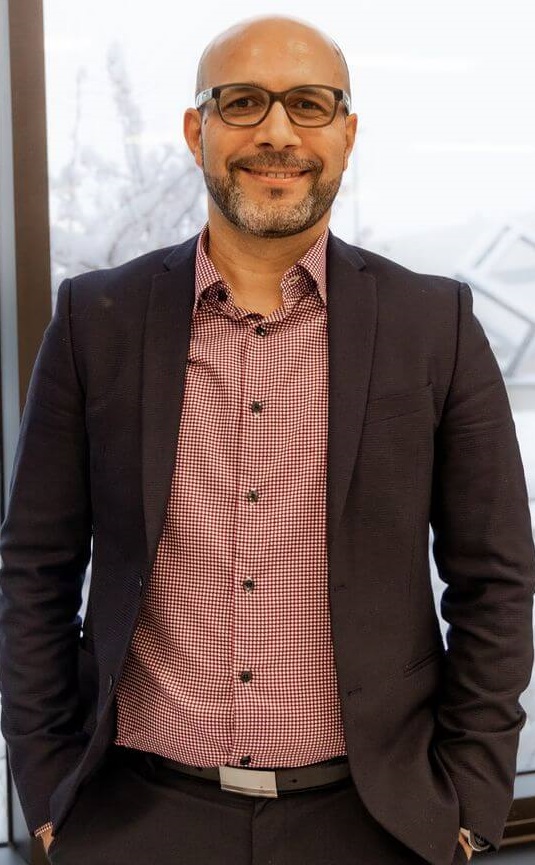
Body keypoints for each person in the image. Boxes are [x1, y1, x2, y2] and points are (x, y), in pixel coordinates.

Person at [0, 14, 534, 865]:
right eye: (242, 102)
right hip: (134, 819)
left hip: (375, 822)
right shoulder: (95, 321)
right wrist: (48, 786)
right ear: (196, 131)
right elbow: (35, 567)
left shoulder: (434, 324)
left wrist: (469, 800)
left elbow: (494, 578)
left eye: (309, 104)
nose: (277, 132)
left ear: (346, 133)